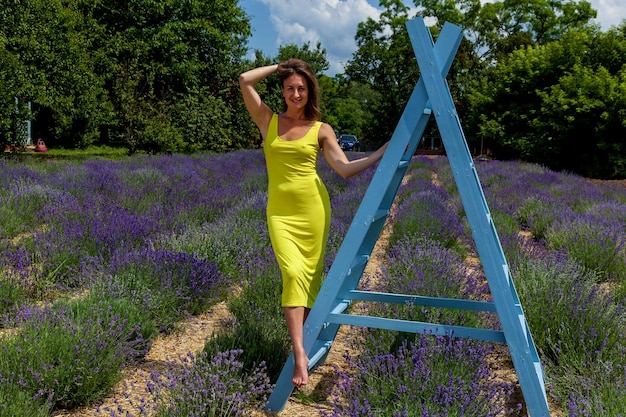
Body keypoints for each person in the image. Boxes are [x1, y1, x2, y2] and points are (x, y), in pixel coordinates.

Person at [239, 59, 388, 388]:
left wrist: (380, 153)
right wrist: (282, 65)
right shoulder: (268, 120)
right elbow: (245, 80)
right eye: (290, 87)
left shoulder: (322, 129)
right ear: (282, 90)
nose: (296, 93)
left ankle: (303, 349)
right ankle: (301, 354)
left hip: (313, 210)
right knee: (292, 273)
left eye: (302, 88)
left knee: (310, 279)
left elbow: (344, 168)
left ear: (310, 92)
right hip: (279, 213)